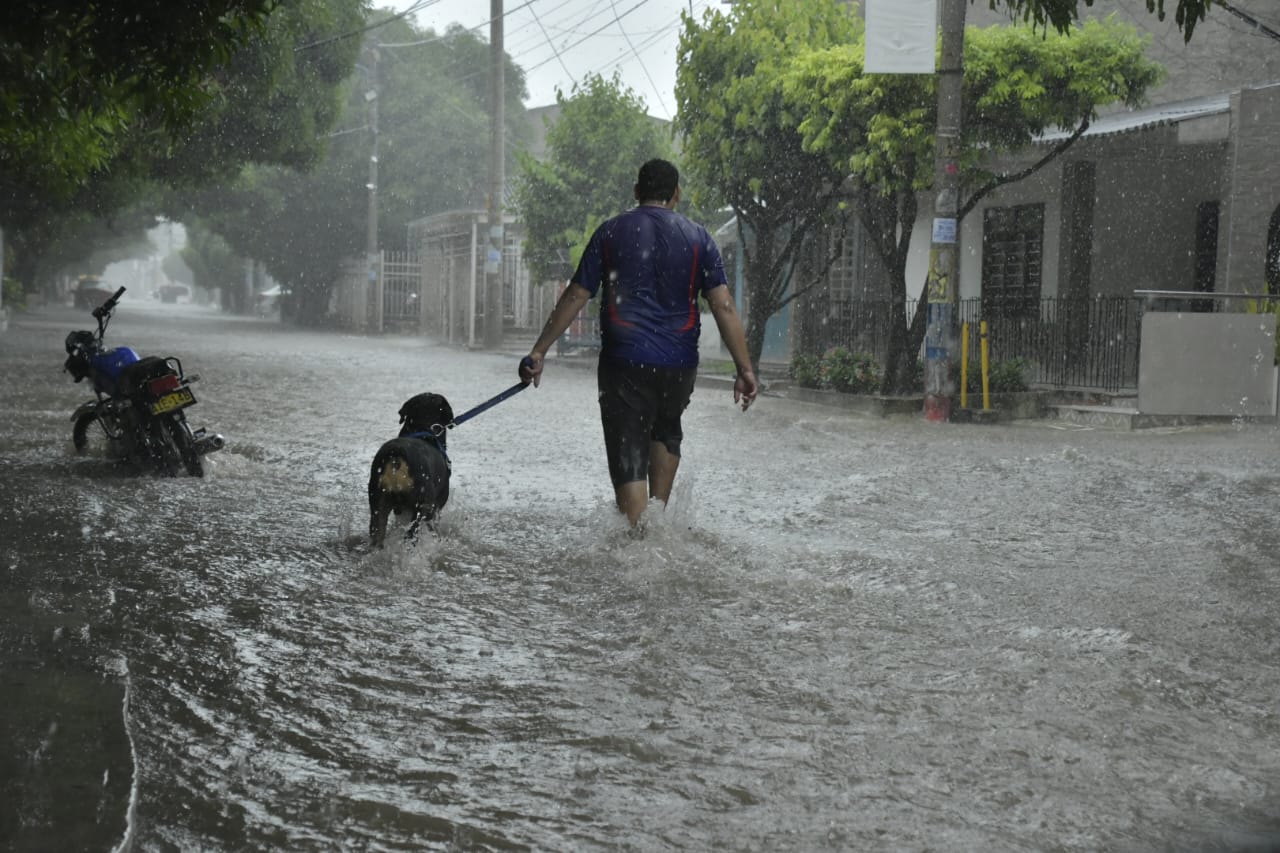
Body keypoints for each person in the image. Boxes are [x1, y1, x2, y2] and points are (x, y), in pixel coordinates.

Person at [519, 158, 758, 525]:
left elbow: (576, 294)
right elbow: (723, 304)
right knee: (666, 430)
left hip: (624, 364)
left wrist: (539, 349)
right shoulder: (699, 238)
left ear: (636, 191)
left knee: (629, 445)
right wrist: (744, 369)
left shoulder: (611, 232)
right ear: (676, 194)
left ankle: (636, 540)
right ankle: (657, 528)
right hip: (679, 365)